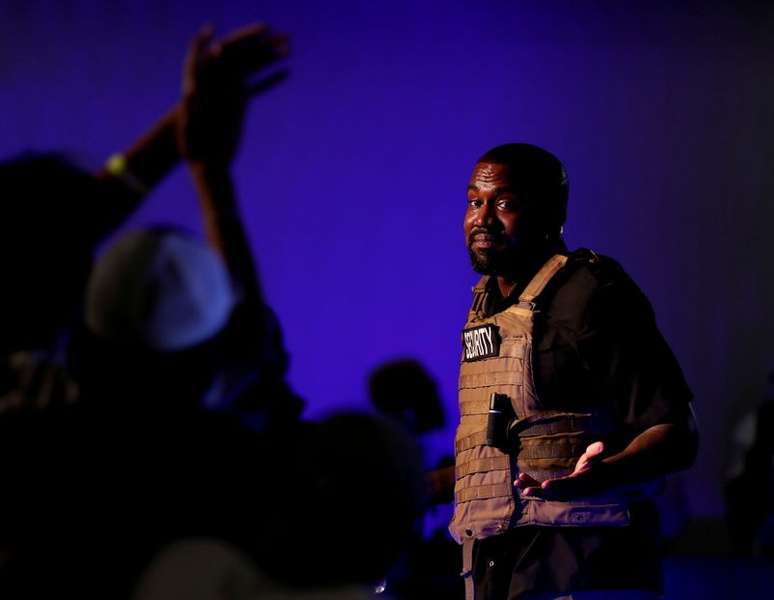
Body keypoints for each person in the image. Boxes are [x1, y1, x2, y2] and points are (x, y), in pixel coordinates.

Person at [449, 143, 698, 599]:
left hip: (580, 559)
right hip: (495, 557)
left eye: (504, 204)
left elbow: (676, 432)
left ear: (553, 212)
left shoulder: (592, 294)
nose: (481, 219)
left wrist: (605, 473)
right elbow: (507, 453)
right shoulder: (484, 307)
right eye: (473, 202)